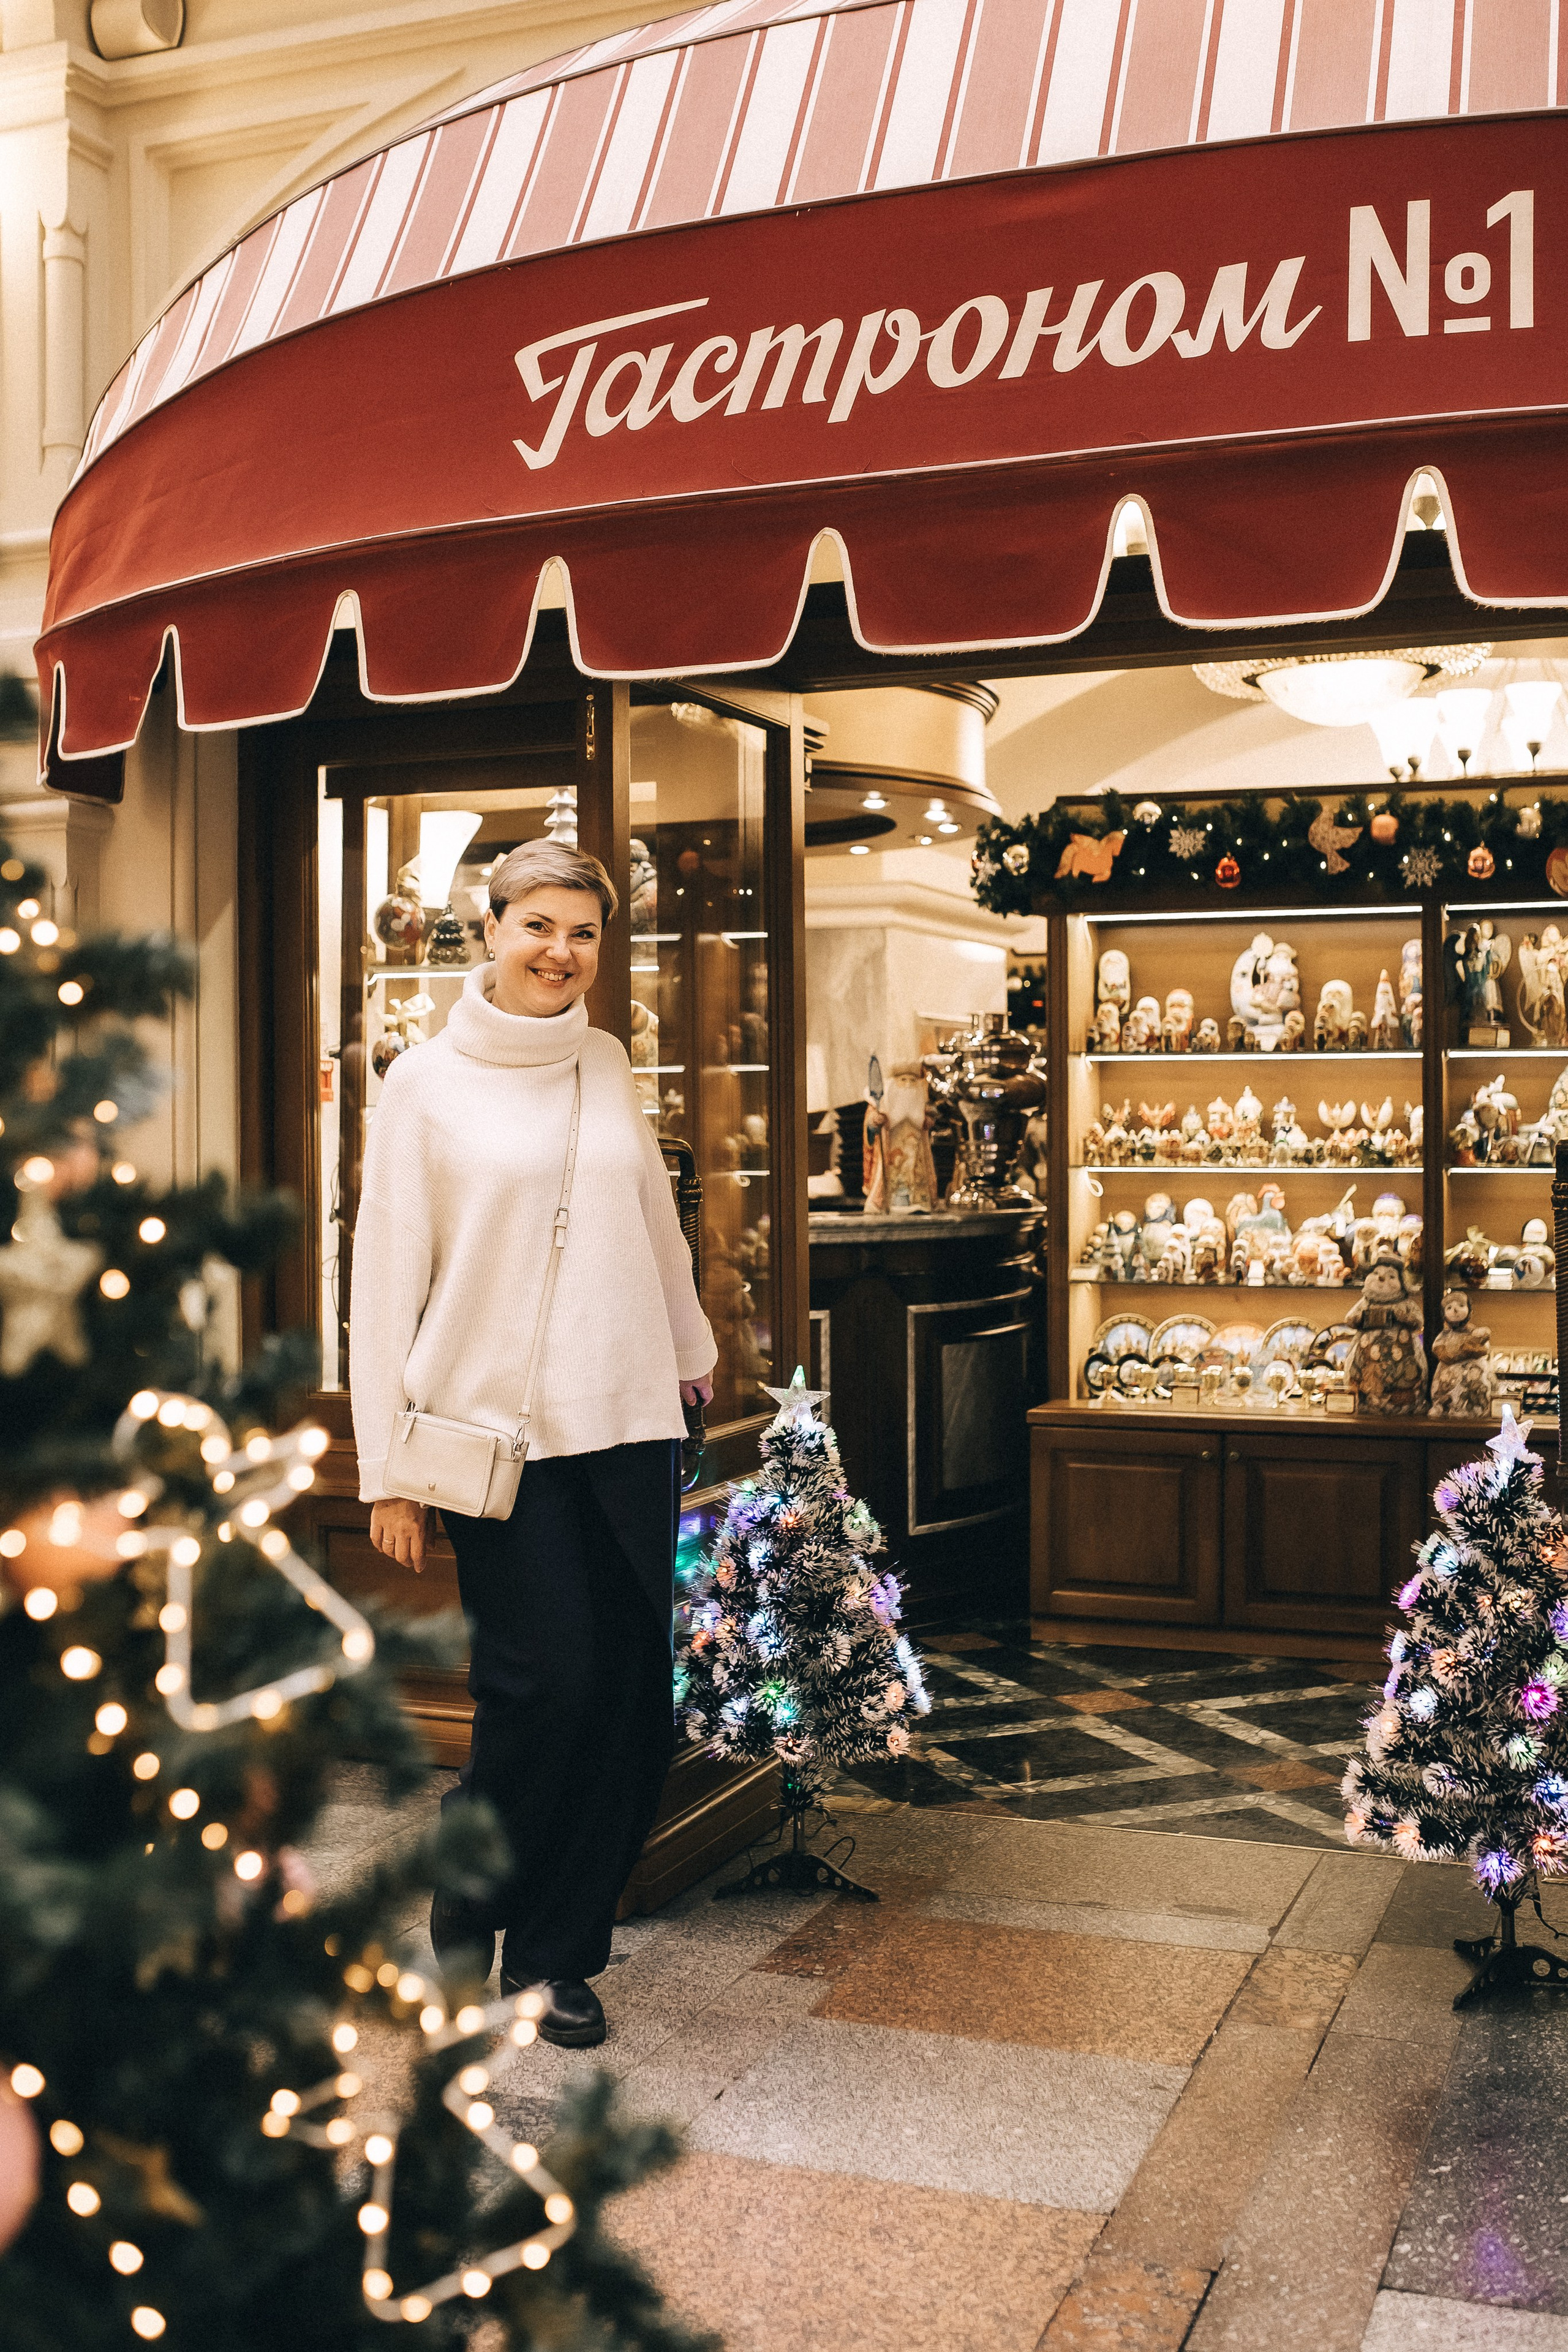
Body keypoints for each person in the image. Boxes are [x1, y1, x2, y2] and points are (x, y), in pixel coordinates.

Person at [349, 839, 715, 2048]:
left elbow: (652, 1223)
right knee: (538, 1691)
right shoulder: (424, 1084)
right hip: (493, 1445)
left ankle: (560, 1956)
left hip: (627, 1424)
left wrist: (691, 1353)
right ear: (488, 929)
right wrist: (384, 1467)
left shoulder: (604, 1062)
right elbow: (384, 1279)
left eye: (584, 933)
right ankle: (467, 1932)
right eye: (537, 926)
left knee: (625, 1702)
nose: (560, 952)